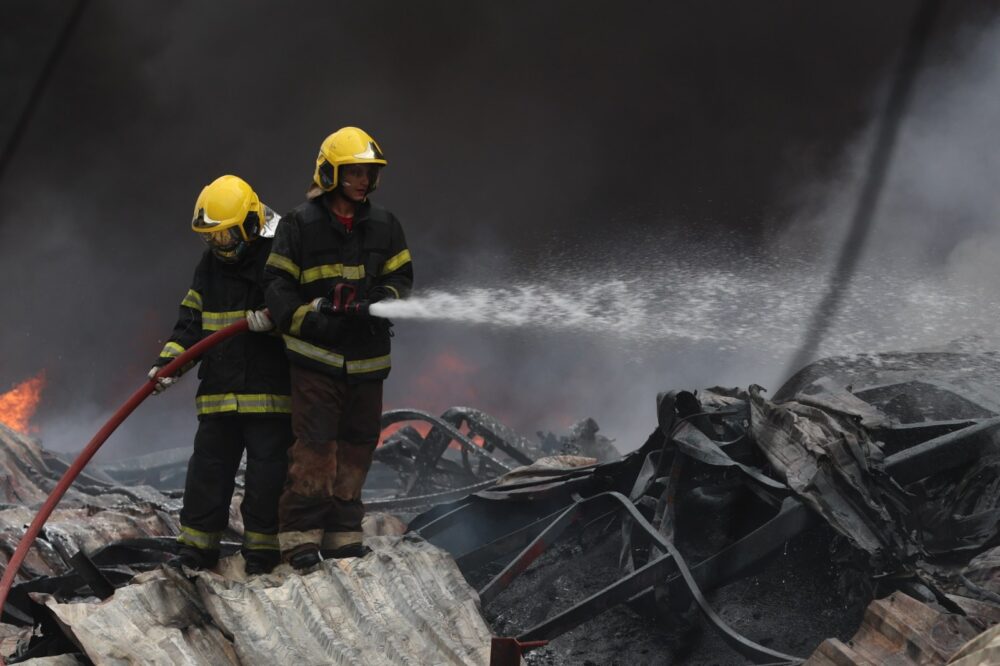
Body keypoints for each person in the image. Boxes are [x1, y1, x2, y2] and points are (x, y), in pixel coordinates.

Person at [264, 127, 412, 569]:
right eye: (353, 173)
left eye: (368, 173)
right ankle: (300, 540)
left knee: (358, 445)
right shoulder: (298, 224)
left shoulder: (386, 224)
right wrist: (313, 318)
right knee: (315, 449)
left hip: (368, 362)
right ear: (330, 174)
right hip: (316, 361)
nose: (363, 181)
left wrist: (378, 302)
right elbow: (276, 285)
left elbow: (402, 280)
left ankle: (343, 534)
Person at [149, 175, 293, 575]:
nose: (220, 245)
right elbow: (190, 321)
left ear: (249, 224)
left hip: (270, 396)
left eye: (227, 235)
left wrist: (276, 319)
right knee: (206, 476)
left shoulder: (280, 254)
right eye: (211, 237)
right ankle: (196, 552)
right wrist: (168, 364)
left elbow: (305, 313)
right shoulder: (208, 266)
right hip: (218, 394)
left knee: (268, 479)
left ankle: (263, 555)